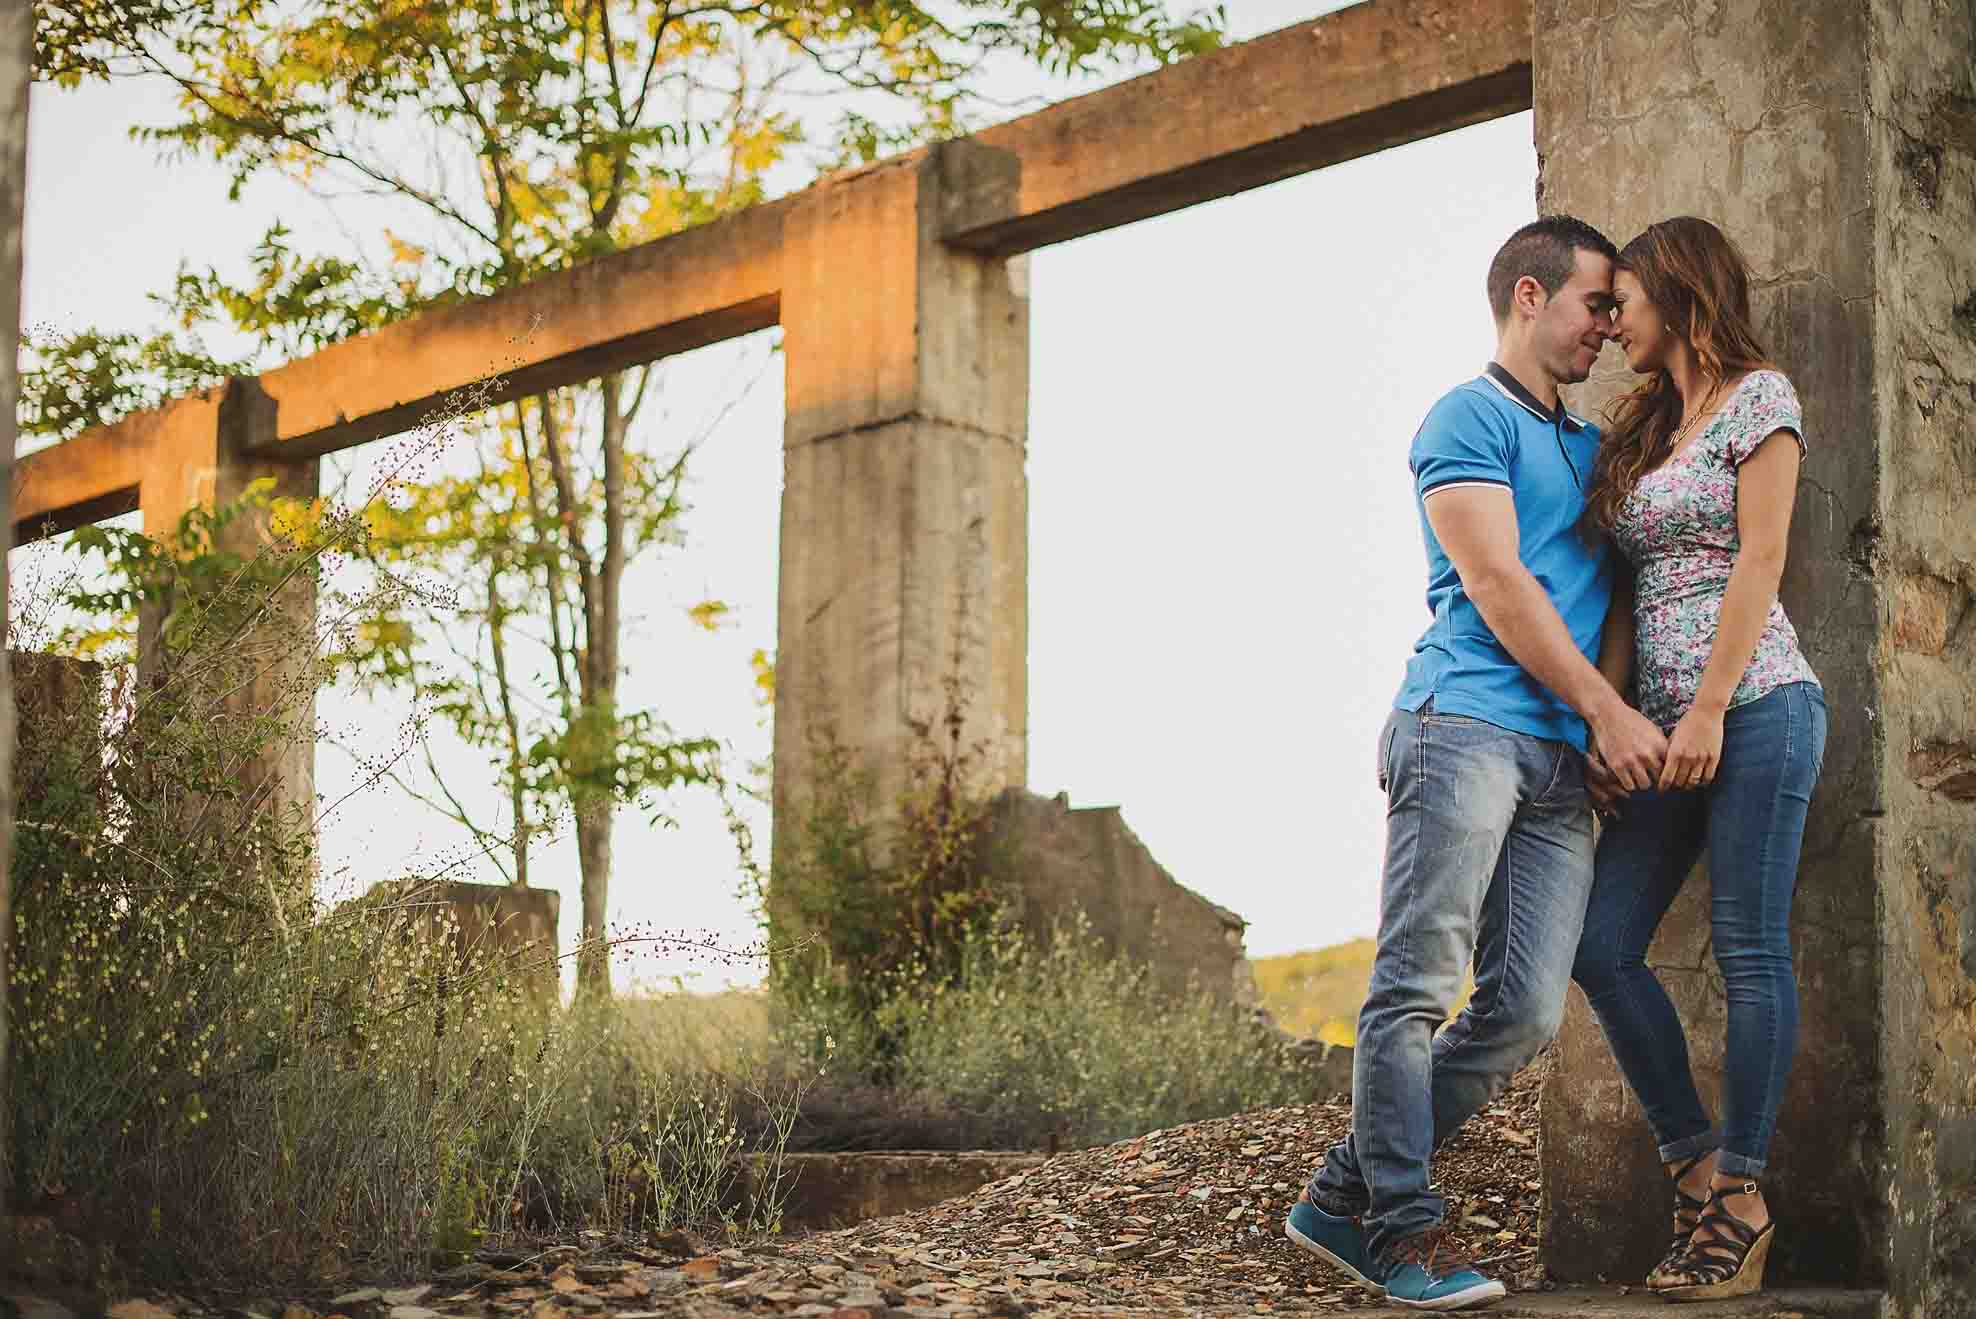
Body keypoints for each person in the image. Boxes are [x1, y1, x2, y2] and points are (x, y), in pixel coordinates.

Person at [1283, 216, 1669, 1310]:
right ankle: (1397, 1231)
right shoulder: (1463, 417)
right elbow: (1497, 583)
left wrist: (1598, 712)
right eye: (1597, 302)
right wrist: (1605, 712)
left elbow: (1616, 594)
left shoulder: (1592, 447)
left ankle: (1333, 1194)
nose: (1608, 325)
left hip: (1555, 759)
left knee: (1521, 1012)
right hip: (1459, 726)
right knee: (1409, 989)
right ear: (1530, 296)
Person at [1569, 216, 1826, 1302]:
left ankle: (1744, 1196)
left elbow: (1760, 554)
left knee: (1746, 947)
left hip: (1756, 704)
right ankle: (1694, 1164)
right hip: (1661, 728)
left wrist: (1710, 706)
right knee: (1600, 941)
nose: (1609, 317)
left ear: (1673, 293)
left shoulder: (1760, 397)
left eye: (1620, 296)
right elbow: (1626, 590)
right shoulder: (1645, 433)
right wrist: (1611, 717)